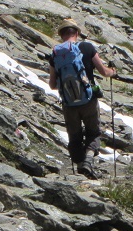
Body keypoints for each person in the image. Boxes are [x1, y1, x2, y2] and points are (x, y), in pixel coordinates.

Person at [48, 18, 116, 179]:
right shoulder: (87, 47)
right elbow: (104, 72)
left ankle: (80, 168)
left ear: (61, 35)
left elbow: (52, 84)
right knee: (93, 132)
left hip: (68, 103)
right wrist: (113, 71)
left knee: (75, 136)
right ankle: (88, 161)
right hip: (88, 99)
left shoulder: (56, 53)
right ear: (77, 33)